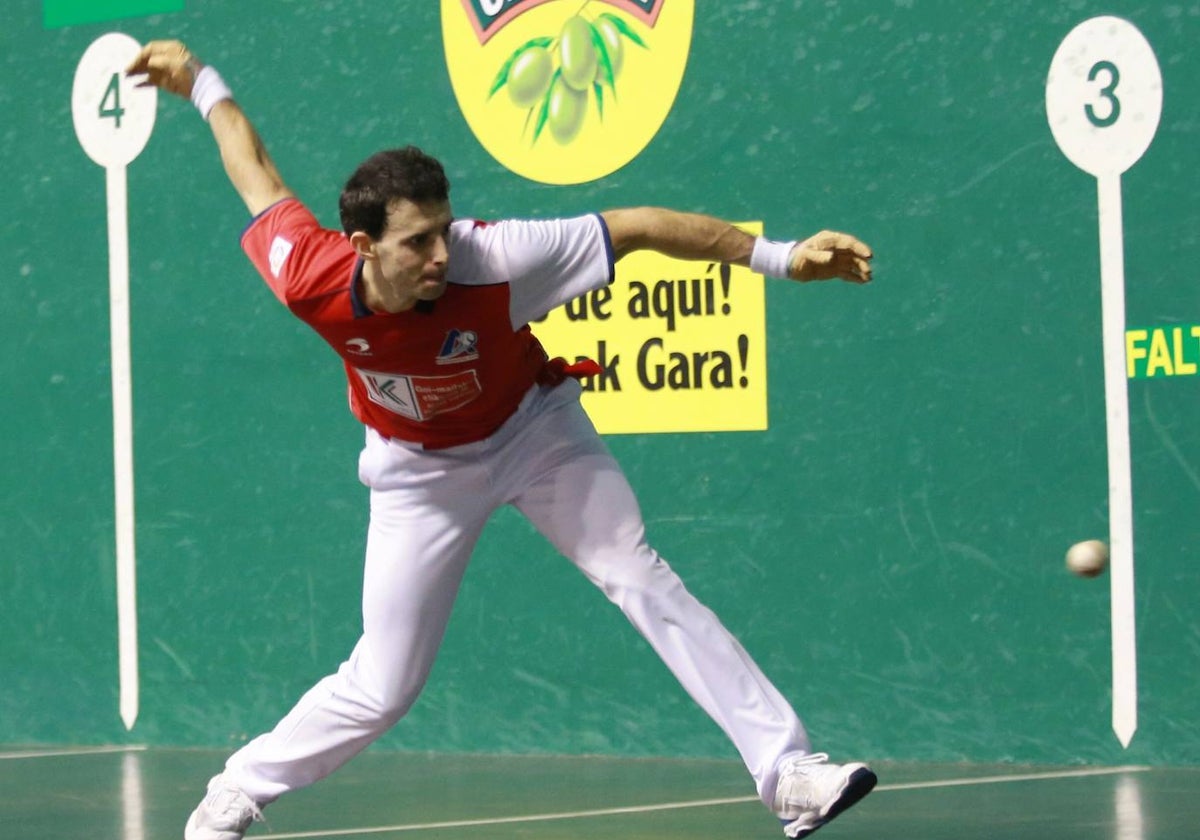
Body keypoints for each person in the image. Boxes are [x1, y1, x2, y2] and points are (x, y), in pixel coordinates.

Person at [127, 39, 877, 840]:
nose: (442, 255)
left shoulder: (497, 260)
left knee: (634, 569)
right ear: (363, 247)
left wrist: (780, 257)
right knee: (384, 684)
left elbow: (640, 226)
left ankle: (788, 770)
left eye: (444, 231)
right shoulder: (308, 276)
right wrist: (201, 83)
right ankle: (239, 789)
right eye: (417, 241)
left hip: (534, 432)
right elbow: (257, 175)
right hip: (418, 474)